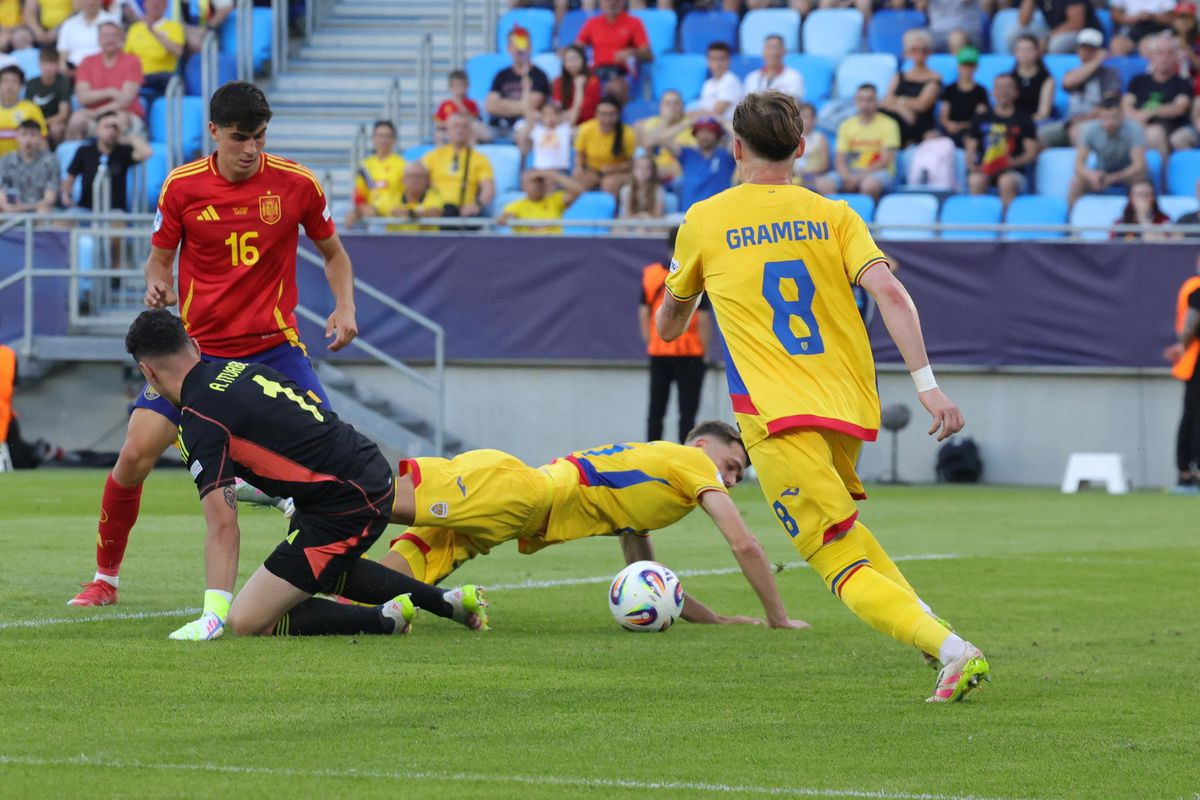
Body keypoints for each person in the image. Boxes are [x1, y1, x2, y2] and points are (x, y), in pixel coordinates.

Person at [656, 89, 988, 703]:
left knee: (833, 557)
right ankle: (935, 636)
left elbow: (669, 326)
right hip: (845, 409)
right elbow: (890, 293)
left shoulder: (705, 218)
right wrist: (928, 386)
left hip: (776, 415)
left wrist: (686, 291)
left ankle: (952, 653)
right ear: (802, 148)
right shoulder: (836, 214)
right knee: (852, 535)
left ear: (734, 147)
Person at [66, 82, 360, 608]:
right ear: (214, 133)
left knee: (332, 462)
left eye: (260, 137)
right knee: (133, 454)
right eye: (240, 137)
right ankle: (104, 580)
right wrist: (156, 282)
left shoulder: (297, 184)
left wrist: (346, 307)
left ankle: (335, 580)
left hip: (274, 347)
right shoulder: (181, 187)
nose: (251, 148)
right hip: (196, 357)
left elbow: (334, 254)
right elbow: (159, 258)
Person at [122, 310, 489, 639]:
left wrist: (213, 614)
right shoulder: (244, 371)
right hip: (360, 470)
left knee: (248, 620)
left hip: (345, 502)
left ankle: (380, 620)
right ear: (196, 346)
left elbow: (222, 524)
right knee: (317, 563)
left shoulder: (199, 420)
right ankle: (448, 602)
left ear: (148, 372)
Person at [378, 422, 809, 629]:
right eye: (731, 466)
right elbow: (745, 544)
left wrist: (716, 619)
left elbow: (647, 576)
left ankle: (325, 599)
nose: (731, 480)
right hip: (519, 494)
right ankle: (315, 484)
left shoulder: (658, 483)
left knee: (389, 585)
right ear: (701, 446)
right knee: (376, 500)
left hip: (513, 517)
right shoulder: (694, 462)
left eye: (737, 476)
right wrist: (778, 618)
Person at [640, 228, 711, 442]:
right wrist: (704, 353)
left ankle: (650, 457)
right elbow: (704, 318)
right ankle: (685, 457)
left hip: (659, 352)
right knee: (687, 415)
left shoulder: (651, 274)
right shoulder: (695, 273)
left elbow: (643, 314)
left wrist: (651, 342)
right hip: (690, 352)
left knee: (656, 412)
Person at [815, 83, 902, 204]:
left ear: (876, 102)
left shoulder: (889, 124)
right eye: (861, 99)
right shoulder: (846, 125)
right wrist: (847, 177)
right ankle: (835, 217)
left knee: (869, 185)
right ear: (856, 101)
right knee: (823, 183)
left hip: (879, 172)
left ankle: (869, 217)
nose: (865, 104)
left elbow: (885, 161)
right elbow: (840, 160)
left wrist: (858, 178)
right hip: (851, 172)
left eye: (870, 100)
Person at [965, 73, 1040, 209]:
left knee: (1006, 182)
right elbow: (970, 148)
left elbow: (1031, 153)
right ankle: (980, 222)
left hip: (1013, 171)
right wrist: (973, 166)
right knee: (975, 180)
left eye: (1008, 87)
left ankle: (1007, 225)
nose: (1003, 92)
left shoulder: (1024, 118)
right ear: (992, 92)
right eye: (999, 87)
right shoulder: (981, 118)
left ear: (1016, 92)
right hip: (985, 168)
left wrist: (1008, 163)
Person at [1040, 29, 1122, 146]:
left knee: (1077, 132)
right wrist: (1096, 61)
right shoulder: (1073, 72)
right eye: (1083, 48)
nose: (1086, 52)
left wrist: (1084, 118)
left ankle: (1080, 164)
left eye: (1091, 49)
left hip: (1096, 122)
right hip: (1070, 122)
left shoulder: (1110, 74)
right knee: (1041, 135)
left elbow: (1110, 104)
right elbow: (1068, 82)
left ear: (1099, 51)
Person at [68, 21, 145, 140]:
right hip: (93, 115)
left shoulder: (132, 61)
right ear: (98, 39)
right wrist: (111, 92)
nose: (110, 40)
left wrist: (98, 112)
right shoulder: (87, 62)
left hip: (125, 114)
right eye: (105, 36)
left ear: (121, 38)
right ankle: (75, 156)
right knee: (76, 120)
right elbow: (82, 96)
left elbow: (125, 101)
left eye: (114, 35)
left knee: (116, 122)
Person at [61, 110, 150, 211]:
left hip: (115, 211)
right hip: (85, 209)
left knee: (117, 222)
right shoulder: (84, 151)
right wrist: (66, 194)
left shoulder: (124, 152)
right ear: (97, 129)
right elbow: (70, 177)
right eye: (107, 127)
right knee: (64, 221)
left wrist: (126, 131)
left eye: (115, 127)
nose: (111, 131)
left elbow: (146, 152)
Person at [1067, 97, 1148, 206]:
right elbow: (1078, 164)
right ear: (1099, 117)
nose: (1109, 123)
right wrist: (1091, 175)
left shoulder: (1134, 129)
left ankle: (1138, 218)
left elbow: (1138, 165)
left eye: (1114, 117)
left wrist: (1113, 178)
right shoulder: (1089, 130)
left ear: (1122, 115)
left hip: (1128, 172)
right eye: (1105, 118)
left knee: (1140, 181)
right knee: (1076, 183)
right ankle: (1072, 218)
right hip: (1102, 171)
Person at [1123, 33, 1194, 155]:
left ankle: (1162, 173)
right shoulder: (1138, 80)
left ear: (1175, 57)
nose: (1165, 58)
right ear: (1151, 56)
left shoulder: (1183, 83)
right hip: (1135, 125)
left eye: (1170, 53)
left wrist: (1149, 113)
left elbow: (1179, 107)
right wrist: (1135, 117)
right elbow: (1126, 104)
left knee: (1154, 133)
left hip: (1166, 128)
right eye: (1160, 53)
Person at [1164, 256, 1200, 493]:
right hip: (1196, 360)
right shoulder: (1196, 288)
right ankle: (1189, 470)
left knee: (1191, 416)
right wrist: (1182, 346)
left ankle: (1185, 471)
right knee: (1194, 417)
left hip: (1192, 360)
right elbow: (1193, 321)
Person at [422, 112, 495, 217]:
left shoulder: (480, 159)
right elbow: (418, 180)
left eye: (464, 126)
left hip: (464, 212)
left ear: (470, 131)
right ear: (447, 130)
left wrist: (478, 205)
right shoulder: (433, 156)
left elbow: (488, 189)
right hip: (435, 209)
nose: (459, 130)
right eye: (455, 126)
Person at [485, 25, 550, 139]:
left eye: (522, 45)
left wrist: (502, 105)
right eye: (514, 45)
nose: (519, 50)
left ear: (530, 47)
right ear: (509, 48)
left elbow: (532, 105)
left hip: (525, 126)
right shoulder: (501, 75)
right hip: (497, 127)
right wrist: (522, 107)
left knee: (524, 132)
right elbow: (490, 106)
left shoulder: (539, 75)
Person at [881, 29, 943, 148]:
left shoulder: (934, 78)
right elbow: (885, 100)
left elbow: (922, 105)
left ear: (929, 52)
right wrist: (901, 109)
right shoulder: (899, 75)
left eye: (924, 50)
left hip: (918, 122)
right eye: (914, 50)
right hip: (900, 117)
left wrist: (898, 101)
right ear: (908, 52)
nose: (919, 53)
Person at [574, 0, 652, 89]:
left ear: (623, 2)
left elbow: (648, 55)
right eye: (607, 1)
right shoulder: (592, 23)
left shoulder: (634, 22)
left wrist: (631, 52)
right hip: (597, 73)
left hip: (622, 74)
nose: (612, 3)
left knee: (613, 88)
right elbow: (576, 48)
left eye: (616, 1)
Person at [346, 119, 405, 228]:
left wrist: (376, 209)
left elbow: (406, 197)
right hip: (367, 212)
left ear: (394, 140)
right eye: (380, 136)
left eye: (388, 136)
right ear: (373, 139)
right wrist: (362, 208)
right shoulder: (366, 165)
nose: (384, 140)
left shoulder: (402, 165)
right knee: (339, 211)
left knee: (375, 225)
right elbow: (360, 194)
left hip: (389, 215)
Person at [573, 95, 635, 195]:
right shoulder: (586, 129)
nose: (607, 120)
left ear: (618, 115)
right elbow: (579, 153)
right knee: (573, 192)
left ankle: (612, 210)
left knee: (609, 184)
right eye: (602, 114)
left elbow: (632, 163)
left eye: (611, 114)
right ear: (596, 114)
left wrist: (613, 168)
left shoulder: (627, 134)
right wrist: (578, 167)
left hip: (618, 172)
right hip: (592, 170)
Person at [122, 0, 183, 101]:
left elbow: (178, 52)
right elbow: (126, 57)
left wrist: (153, 31)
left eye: (159, 1)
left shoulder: (174, 27)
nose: (155, 4)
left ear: (166, 5)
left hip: (160, 76)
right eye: (151, 1)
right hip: (137, 76)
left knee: (165, 78)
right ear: (145, 5)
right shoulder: (135, 28)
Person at [636, 89, 694, 185]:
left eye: (676, 103)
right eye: (667, 103)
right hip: (653, 171)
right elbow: (647, 143)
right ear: (660, 106)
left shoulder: (690, 124)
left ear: (683, 106)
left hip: (678, 173)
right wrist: (666, 121)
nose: (672, 107)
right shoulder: (653, 122)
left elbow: (690, 157)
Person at [498, 169, 582, 233]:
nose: (537, 185)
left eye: (541, 181)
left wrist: (553, 175)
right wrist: (507, 218)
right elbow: (504, 218)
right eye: (533, 182)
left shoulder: (555, 201)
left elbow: (578, 190)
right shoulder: (515, 206)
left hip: (555, 248)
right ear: (524, 185)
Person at [0, 118, 57, 212]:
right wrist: (6, 206)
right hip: (10, 209)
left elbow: (49, 199)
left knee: (44, 211)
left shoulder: (50, 161)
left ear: (40, 138)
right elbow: (1, 190)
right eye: (24, 134)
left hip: (37, 209)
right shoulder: (6, 160)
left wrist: (24, 207)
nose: (28, 140)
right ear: (17, 137)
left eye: (33, 135)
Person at [938, 46, 991, 147]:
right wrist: (949, 125)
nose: (967, 68)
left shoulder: (981, 91)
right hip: (951, 131)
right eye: (964, 65)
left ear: (976, 67)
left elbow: (981, 117)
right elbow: (943, 116)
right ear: (958, 66)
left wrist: (960, 126)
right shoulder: (949, 89)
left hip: (972, 133)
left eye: (970, 65)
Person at [377, 161, 444, 232]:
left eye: (420, 176)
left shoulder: (433, 195)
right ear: (403, 179)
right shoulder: (392, 196)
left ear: (427, 180)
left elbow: (434, 212)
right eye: (412, 176)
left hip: (426, 242)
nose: (416, 180)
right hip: (396, 241)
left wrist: (410, 214)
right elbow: (374, 210)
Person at [1013, 0, 1100, 54]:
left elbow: (1076, 24)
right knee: (1016, 34)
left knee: (1056, 45)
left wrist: (1047, 38)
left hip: (1084, 33)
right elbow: (1023, 21)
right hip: (1053, 30)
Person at [24, 45, 69, 145]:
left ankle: (55, 154)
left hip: (53, 123)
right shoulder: (32, 83)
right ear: (39, 64)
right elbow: (27, 109)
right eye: (45, 63)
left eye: (52, 63)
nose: (48, 67)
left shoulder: (63, 82)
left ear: (57, 65)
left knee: (56, 129)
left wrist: (42, 123)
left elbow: (63, 114)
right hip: (34, 122)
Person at [55, 0, 119, 69]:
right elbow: (63, 54)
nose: (90, 2)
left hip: (102, 70)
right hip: (73, 72)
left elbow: (118, 50)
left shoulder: (113, 21)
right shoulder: (69, 24)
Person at [515, 99, 573, 173]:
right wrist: (527, 89)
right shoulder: (537, 130)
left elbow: (576, 109)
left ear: (559, 116)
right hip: (540, 170)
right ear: (542, 116)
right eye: (548, 114)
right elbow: (528, 111)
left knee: (549, 178)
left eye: (554, 114)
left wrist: (578, 88)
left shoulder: (564, 129)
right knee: (527, 178)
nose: (551, 117)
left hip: (558, 169)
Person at [691, 42, 743, 123]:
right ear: (708, 61)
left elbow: (717, 112)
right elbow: (703, 110)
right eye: (713, 59)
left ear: (729, 61)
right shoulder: (707, 84)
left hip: (725, 128)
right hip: (708, 125)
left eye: (721, 59)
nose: (717, 63)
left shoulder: (731, 80)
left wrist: (694, 115)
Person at [0, 65, 46, 157]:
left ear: (21, 86)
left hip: (24, 165)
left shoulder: (31, 108)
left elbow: (42, 142)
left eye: (14, 81)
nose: (9, 86)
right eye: (5, 81)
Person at [433, 69, 488, 144]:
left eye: (461, 85)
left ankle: (469, 154)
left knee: (473, 134)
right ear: (450, 87)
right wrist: (451, 125)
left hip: (465, 131)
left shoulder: (472, 103)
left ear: (467, 86)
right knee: (438, 135)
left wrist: (460, 106)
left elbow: (473, 120)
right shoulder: (444, 104)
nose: (459, 88)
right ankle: (441, 155)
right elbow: (438, 122)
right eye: (456, 85)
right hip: (449, 132)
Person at [743, 35, 804, 100]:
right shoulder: (752, 77)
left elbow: (792, 104)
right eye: (770, 48)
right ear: (763, 51)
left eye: (777, 47)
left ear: (784, 51)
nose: (774, 52)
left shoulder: (794, 76)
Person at [553, 44, 602, 125]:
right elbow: (557, 108)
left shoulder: (593, 81)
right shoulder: (558, 81)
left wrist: (578, 87)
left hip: (586, 123)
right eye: (568, 60)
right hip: (564, 122)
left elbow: (582, 112)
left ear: (583, 60)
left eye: (575, 59)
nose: (572, 63)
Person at [1011, 34, 1056, 123]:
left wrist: (1023, 122)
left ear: (1037, 52)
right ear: (1015, 53)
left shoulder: (1047, 79)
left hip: (1037, 122)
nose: (1025, 54)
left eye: (1029, 50)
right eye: (1021, 50)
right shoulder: (1009, 78)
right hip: (1012, 122)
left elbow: (1043, 113)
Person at [1110, 0, 1174, 57]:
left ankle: (1149, 70)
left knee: (1146, 47)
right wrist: (1133, 18)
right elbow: (1115, 15)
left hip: (1156, 29)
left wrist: (1152, 16)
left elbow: (1171, 18)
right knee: (1117, 45)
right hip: (1132, 27)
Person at [916, 0, 985, 52]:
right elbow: (920, 7)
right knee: (914, 38)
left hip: (968, 33)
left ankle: (960, 70)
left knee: (956, 38)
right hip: (936, 32)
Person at [792, 102, 829, 187]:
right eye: (804, 117)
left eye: (810, 117)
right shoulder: (791, 138)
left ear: (815, 119)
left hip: (812, 177)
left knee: (824, 184)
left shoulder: (821, 138)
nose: (807, 121)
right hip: (794, 176)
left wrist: (806, 173)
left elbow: (824, 166)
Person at [619, 154, 664, 220]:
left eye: (647, 168)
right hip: (632, 224)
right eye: (639, 167)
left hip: (652, 224)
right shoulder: (626, 190)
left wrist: (645, 217)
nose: (643, 171)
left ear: (652, 172)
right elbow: (626, 216)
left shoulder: (658, 191)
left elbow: (658, 216)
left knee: (642, 228)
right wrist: (640, 216)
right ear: (633, 170)